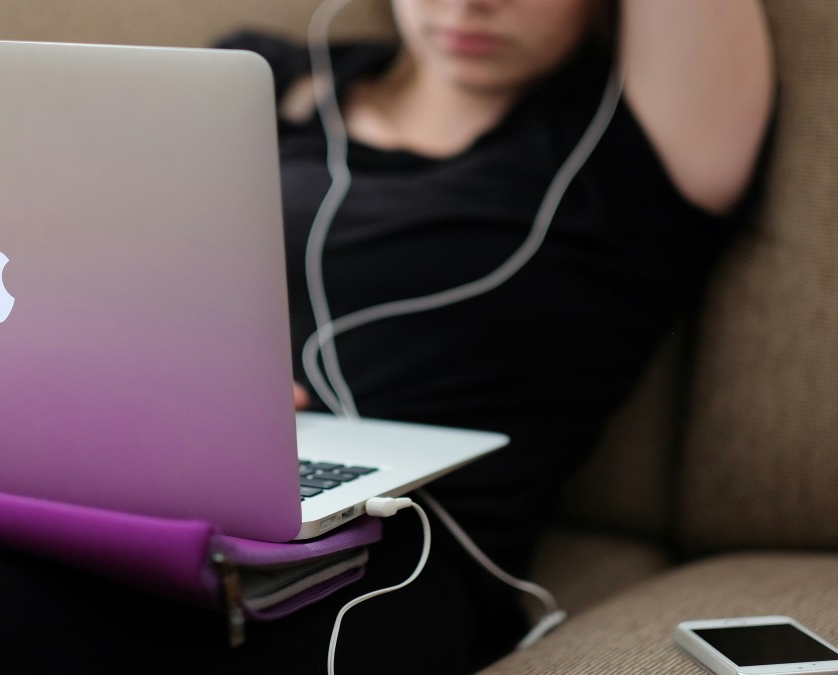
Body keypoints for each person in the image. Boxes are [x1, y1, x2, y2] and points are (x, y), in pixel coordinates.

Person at [196, 0, 776, 672]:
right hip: (184, 476)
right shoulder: (259, 79)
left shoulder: (633, 144)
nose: (471, 4)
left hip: (394, 551)